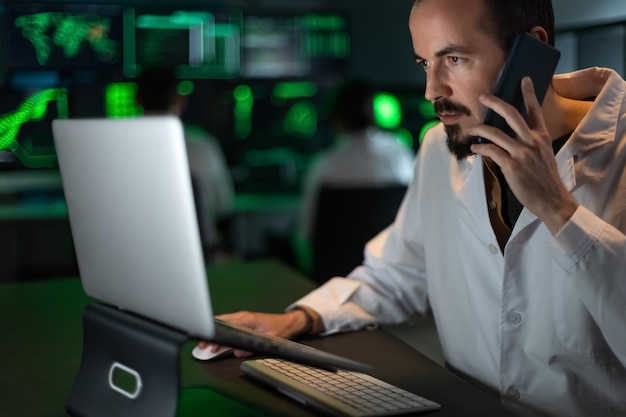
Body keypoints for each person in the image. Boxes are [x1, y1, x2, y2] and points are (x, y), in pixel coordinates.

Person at [200, 0, 626, 415]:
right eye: (425, 63)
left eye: (454, 58)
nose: (431, 91)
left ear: (531, 51)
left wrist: (558, 210)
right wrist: (298, 320)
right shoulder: (439, 148)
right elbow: (399, 271)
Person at [297, 79, 415, 242]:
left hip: (337, 265)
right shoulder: (399, 157)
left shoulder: (323, 166)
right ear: (374, 114)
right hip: (392, 264)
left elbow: (306, 232)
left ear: (335, 118)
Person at [135, 66, 235, 257]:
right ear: (181, 99)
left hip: (136, 258)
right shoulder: (203, 147)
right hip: (201, 258)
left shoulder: (118, 148)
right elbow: (224, 205)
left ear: (136, 98)